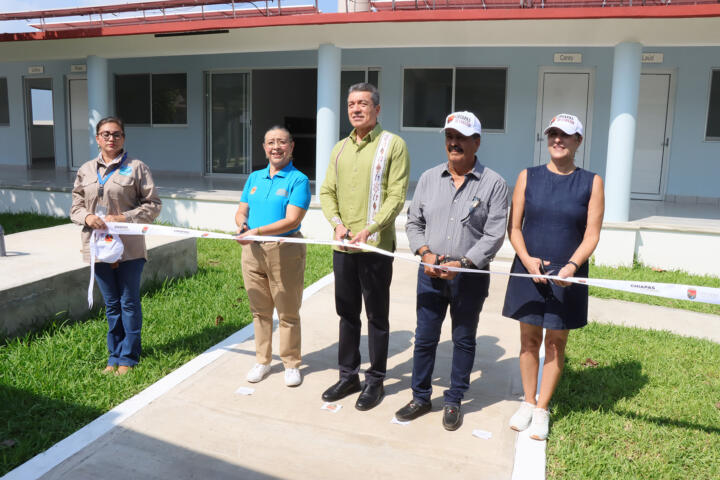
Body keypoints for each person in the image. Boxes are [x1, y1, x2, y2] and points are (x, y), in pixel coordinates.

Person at [397, 111, 508, 430]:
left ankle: (454, 400)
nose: (454, 143)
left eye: (461, 137)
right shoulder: (430, 178)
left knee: (463, 338)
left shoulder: (494, 184)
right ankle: (420, 397)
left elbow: (494, 234)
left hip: (469, 276)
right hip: (430, 273)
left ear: (477, 141)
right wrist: (424, 252)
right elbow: (414, 222)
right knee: (425, 338)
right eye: (449, 137)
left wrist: (465, 263)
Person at [503, 114, 605, 440]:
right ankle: (527, 401)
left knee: (556, 343)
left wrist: (572, 266)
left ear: (578, 141)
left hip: (567, 274)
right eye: (553, 134)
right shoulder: (526, 176)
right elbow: (514, 228)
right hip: (529, 269)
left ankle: (543, 409)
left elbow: (592, 234)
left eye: (566, 135)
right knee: (529, 340)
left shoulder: (592, 182)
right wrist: (527, 260)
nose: (558, 140)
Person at [319, 82, 410, 410]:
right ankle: (348, 375)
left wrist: (370, 229)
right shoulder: (339, 148)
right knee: (347, 313)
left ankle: (375, 380)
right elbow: (326, 191)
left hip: (374, 248)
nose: (356, 109)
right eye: (351, 104)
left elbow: (396, 196)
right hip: (343, 247)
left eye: (363, 104)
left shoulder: (393, 145)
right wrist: (337, 224)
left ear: (377, 109)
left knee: (376, 316)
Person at [70, 116, 161, 375]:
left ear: (123, 138)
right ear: (97, 138)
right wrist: (86, 217)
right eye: (106, 134)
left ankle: (129, 357)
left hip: (129, 248)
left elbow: (153, 204)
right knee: (111, 305)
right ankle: (114, 355)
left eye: (117, 134)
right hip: (98, 248)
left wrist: (124, 218)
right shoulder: (86, 170)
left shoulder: (137, 168)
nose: (112, 138)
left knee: (128, 301)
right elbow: (75, 206)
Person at [235, 126, 311, 387]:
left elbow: (292, 219)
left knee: (288, 311)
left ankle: (291, 363)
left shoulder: (298, 180)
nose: (275, 147)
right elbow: (242, 210)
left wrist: (256, 230)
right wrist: (243, 224)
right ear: (264, 147)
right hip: (252, 251)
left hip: (284, 251)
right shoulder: (254, 178)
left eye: (281, 142)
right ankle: (262, 360)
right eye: (270, 142)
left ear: (291, 146)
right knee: (260, 310)